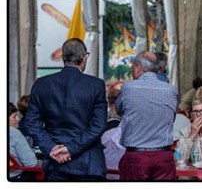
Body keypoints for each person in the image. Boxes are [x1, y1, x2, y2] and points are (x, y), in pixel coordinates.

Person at [21, 38, 106, 180]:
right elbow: (98, 126)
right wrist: (70, 149)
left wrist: (51, 148)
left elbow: (32, 123)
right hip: (88, 163)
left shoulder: (42, 84)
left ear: (63, 57)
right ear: (85, 57)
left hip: (54, 163)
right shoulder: (96, 85)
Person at [116, 51, 179, 180]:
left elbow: (118, 109)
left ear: (138, 68)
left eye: (132, 67)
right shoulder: (171, 90)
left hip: (136, 157)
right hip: (164, 157)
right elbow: (171, 118)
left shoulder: (128, 88)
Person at [9, 103, 38, 180]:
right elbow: (31, 163)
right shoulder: (14, 132)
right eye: (14, 116)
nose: (18, 119)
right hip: (14, 176)